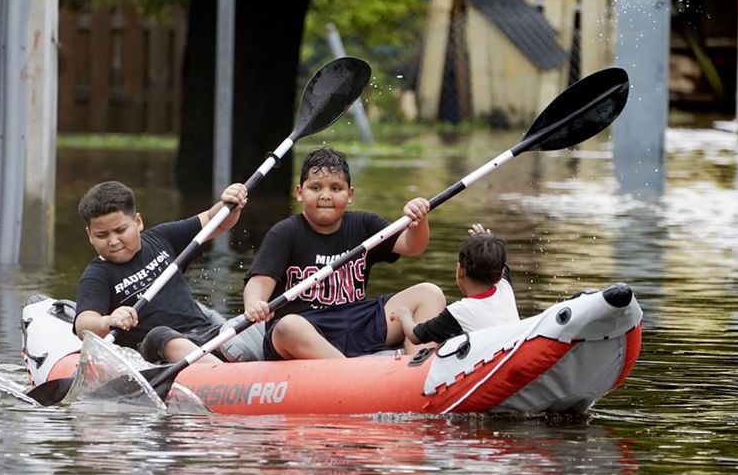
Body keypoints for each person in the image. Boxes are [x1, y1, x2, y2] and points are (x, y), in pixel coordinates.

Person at [243, 147, 446, 360]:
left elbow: (412, 246)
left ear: (350, 195)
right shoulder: (285, 233)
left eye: (336, 188)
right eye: (315, 187)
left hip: (356, 320)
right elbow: (259, 282)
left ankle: (418, 369)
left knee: (429, 293)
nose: (325, 196)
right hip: (306, 326)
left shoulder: (365, 224)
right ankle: (353, 376)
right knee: (287, 326)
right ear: (299, 192)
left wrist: (418, 222)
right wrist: (255, 304)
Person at [73, 180, 248, 364]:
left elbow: (216, 222)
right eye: (102, 235)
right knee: (160, 334)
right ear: (90, 235)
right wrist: (107, 321)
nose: (113, 241)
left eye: (120, 230)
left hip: (204, 333)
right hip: (155, 352)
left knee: (254, 320)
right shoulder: (97, 275)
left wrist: (229, 203)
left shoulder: (162, 237)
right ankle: (224, 376)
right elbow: (83, 323)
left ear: (138, 222)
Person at [389, 224, 519, 345]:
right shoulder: (504, 287)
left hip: (486, 364)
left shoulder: (458, 312)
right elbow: (499, 264)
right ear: (501, 274)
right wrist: (485, 243)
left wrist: (405, 317)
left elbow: (415, 336)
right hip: (512, 351)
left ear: (460, 270)